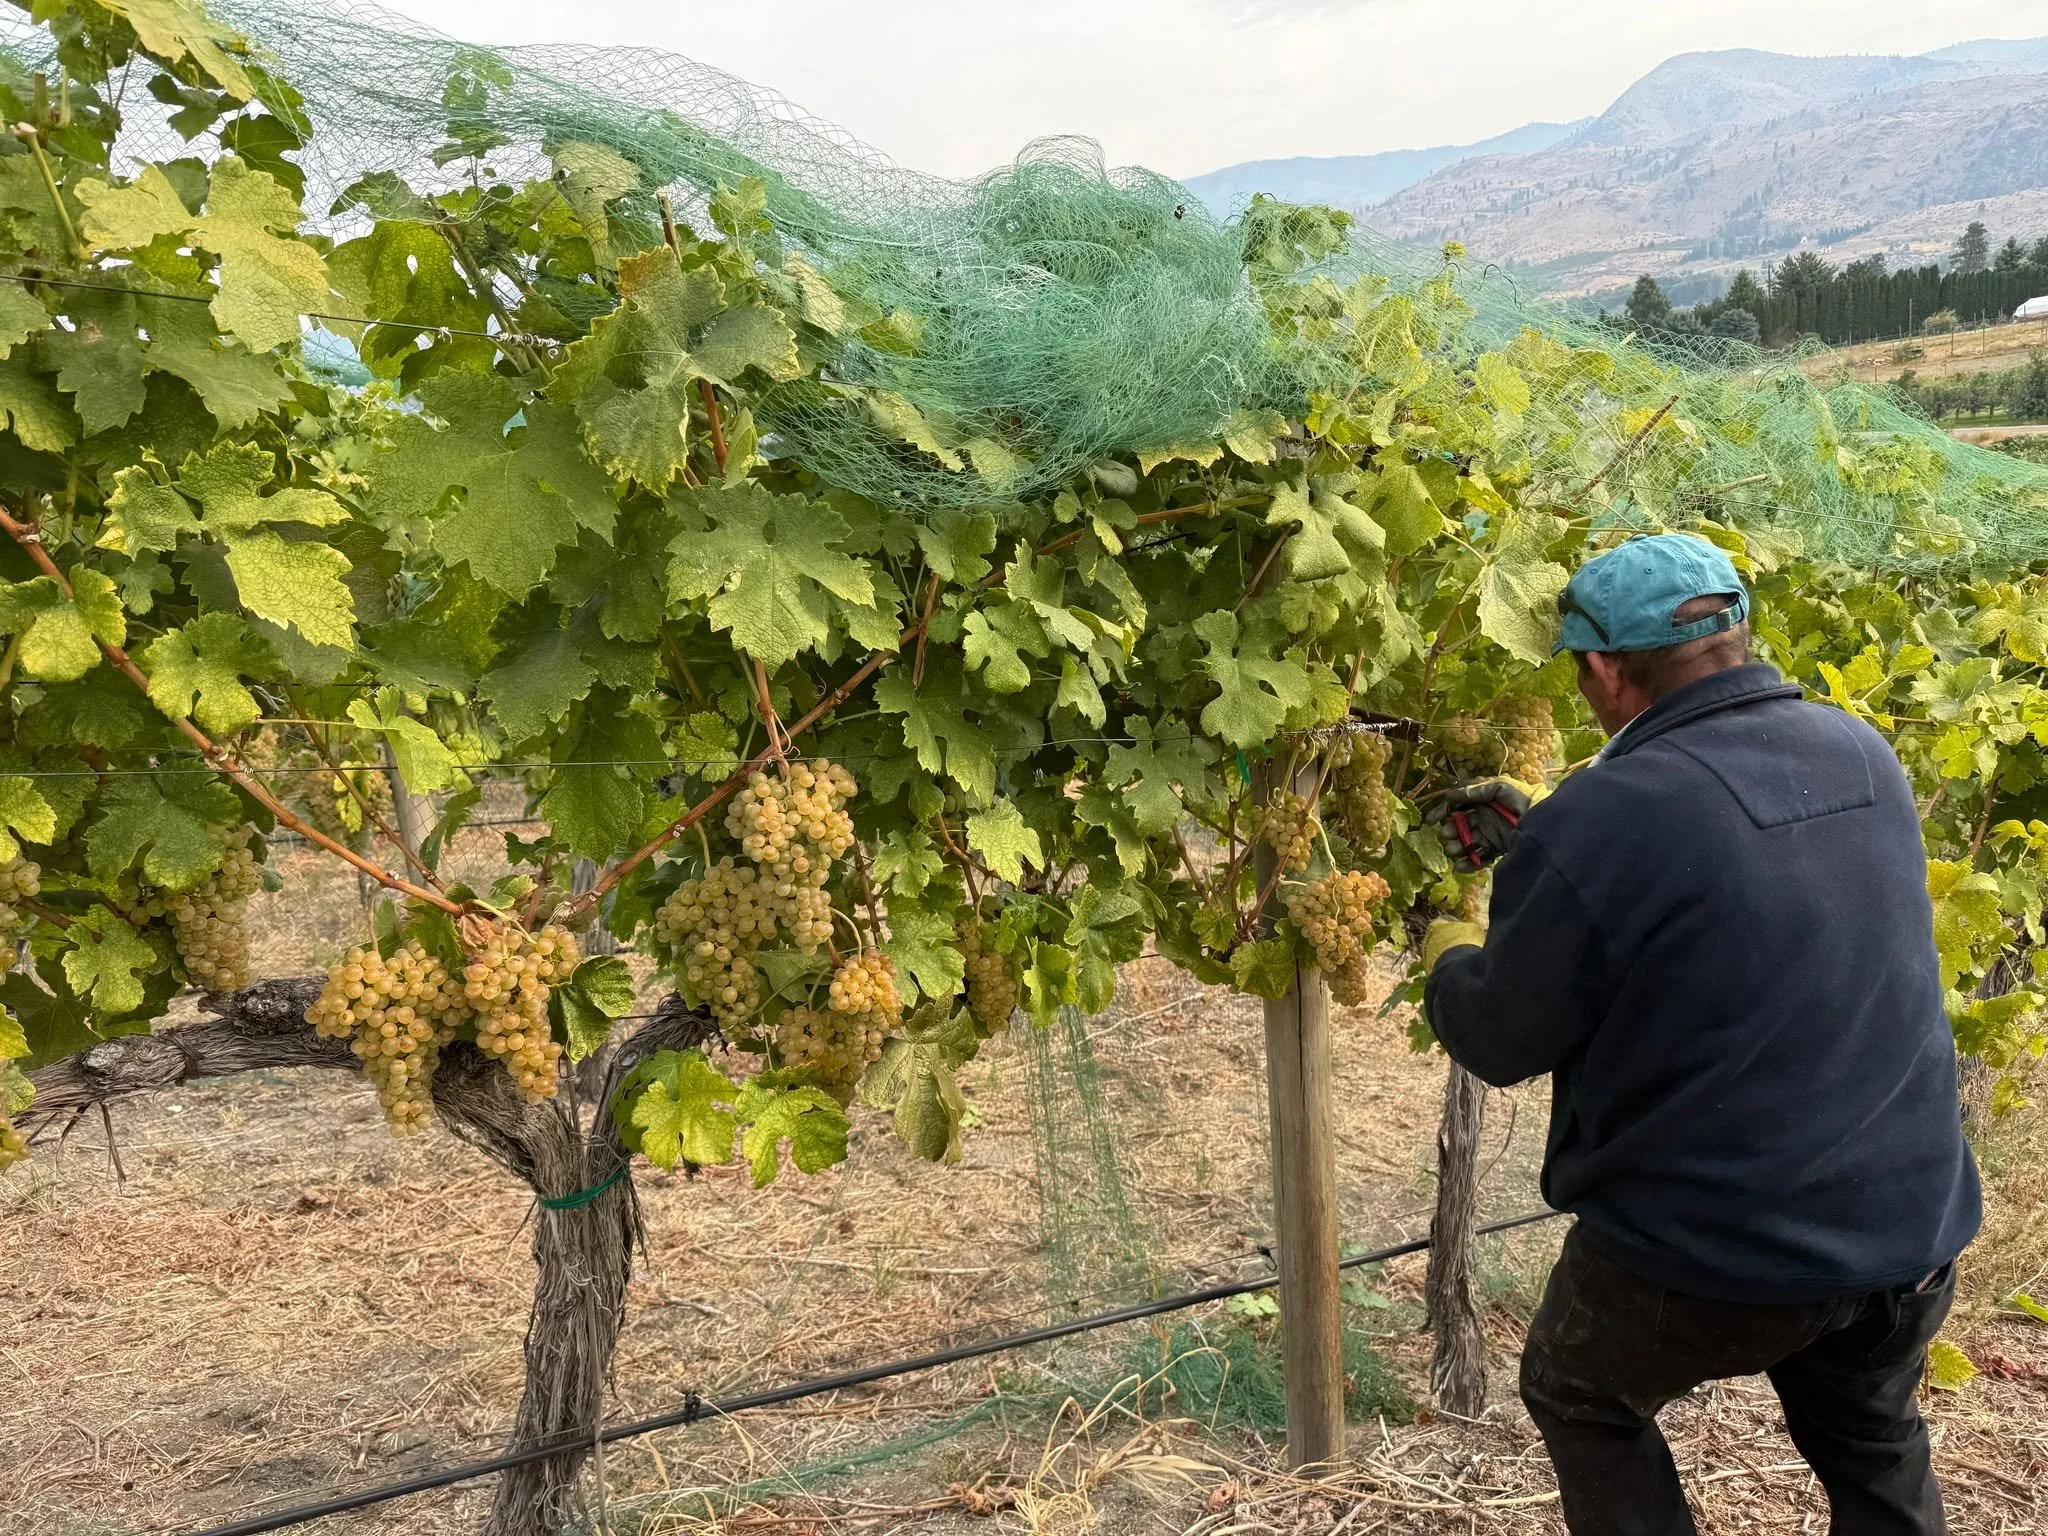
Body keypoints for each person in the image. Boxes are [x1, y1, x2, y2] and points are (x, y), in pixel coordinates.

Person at [1419, 533, 1981, 1536]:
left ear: (1600, 667)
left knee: (1577, 1391)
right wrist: (1559, 837)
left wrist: (1452, 934)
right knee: (1870, 1438)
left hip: (1725, 1252)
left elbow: (1499, 1037)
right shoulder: (1859, 750)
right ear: (1736, 631)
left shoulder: (1604, 818)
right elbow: (1724, 858)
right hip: (1909, 1228)